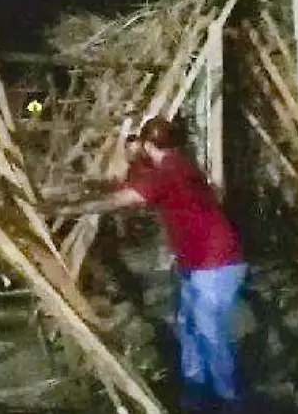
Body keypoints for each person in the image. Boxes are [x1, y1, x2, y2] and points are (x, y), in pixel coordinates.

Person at [51, 117, 246, 413]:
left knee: (210, 334)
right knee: (190, 327)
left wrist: (71, 208)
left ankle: (228, 400)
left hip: (213, 263)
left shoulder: (167, 172)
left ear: (146, 144)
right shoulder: (179, 164)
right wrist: (87, 187)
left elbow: (120, 199)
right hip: (206, 260)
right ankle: (197, 394)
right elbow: (125, 185)